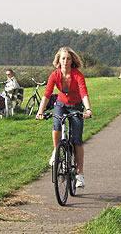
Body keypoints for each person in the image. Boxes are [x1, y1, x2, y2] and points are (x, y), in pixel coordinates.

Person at [36, 47, 92, 188]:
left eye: (68, 58)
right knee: (56, 125)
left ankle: (80, 175)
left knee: (77, 140)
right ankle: (56, 151)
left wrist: (88, 109)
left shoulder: (77, 75)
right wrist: (40, 111)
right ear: (58, 60)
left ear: (72, 60)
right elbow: (47, 94)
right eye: (63, 58)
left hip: (76, 106)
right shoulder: (54, 75)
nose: (65, 61)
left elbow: (84, 93)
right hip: (60, 104)